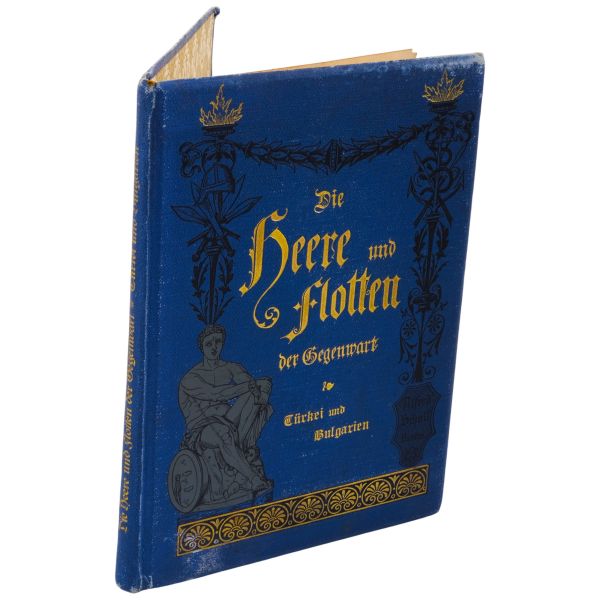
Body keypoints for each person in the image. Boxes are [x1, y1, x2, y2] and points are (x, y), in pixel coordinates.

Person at [178, 324, 272, 494]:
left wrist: (261, 391)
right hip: (201, 429)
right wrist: (251, 386)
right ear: (202, 347)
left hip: (228, 420)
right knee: (222, 433)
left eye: (218, 342)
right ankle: (252, 478)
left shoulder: (231, 367)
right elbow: (215, 394)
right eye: (209, 344)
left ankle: (237, 451)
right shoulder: (191, 378)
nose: (214, 347)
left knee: (253, 396)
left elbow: (252, 385)